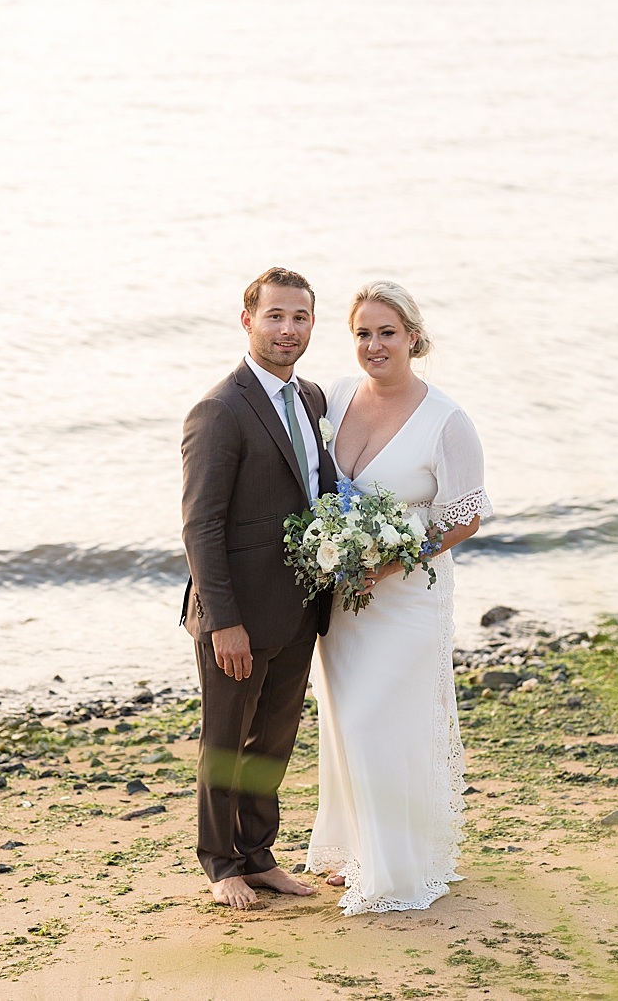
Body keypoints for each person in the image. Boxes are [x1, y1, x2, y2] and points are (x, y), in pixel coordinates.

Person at [306, 280, 492, 915]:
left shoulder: (447, 420)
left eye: (387, 332)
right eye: (363, 333)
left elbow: (465, 516)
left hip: (408, 596)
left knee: (387, 722)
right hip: (342, 597)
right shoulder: (330, 396)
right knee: (346, 722)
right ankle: (360, 845)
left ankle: (396, 865)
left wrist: (391, 561)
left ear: (413, 336)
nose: (374, 344)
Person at [180, 267, 335, 909]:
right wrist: (224, 622)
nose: (287, 329)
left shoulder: (314, 399)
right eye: (275, 316)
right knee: (225, 740)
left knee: (273, 740)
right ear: (248, 321)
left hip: (299, 606)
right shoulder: (219, 410)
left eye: (298, 317)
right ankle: (221, 865)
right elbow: (200, 525)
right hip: (236, 615)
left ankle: (259, 853)